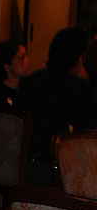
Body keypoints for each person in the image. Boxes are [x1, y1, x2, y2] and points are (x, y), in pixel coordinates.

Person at [19, 27, 97, 184]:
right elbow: (88, 132)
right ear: (80, 58)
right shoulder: (78, 88)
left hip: (21, 166)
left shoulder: (32, 80)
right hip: (56, 171)